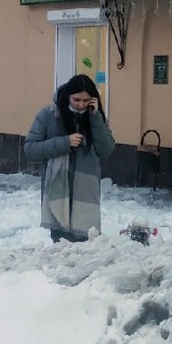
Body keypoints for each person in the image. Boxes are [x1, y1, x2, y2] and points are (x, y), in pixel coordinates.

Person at [23, 74, 115, 243]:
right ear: (68, 97)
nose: (81, 105)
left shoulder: (95, 117)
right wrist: (64, 142)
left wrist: (95, 118)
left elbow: (106, 149)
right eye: (76, 100)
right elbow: (30, 149)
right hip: (57, 193)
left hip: (86, 195)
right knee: (62, 250)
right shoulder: (48, 115)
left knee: (85, 249)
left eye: (86, 101)